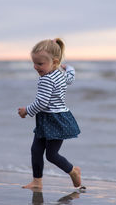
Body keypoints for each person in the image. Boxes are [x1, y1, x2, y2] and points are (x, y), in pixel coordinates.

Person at [18, 38, 81, 189]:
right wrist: (69, 67)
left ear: (54, 61)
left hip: (54, 120)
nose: (35, 67)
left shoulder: (45, 80)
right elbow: (71, 78)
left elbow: (42, 103)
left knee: (51, 155)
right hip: (54, 118)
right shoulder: (60, 74)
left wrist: (26, 111)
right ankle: (37, 182)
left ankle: (73, 171)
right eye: (34, 63)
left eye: (40, 64)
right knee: (36, 150)